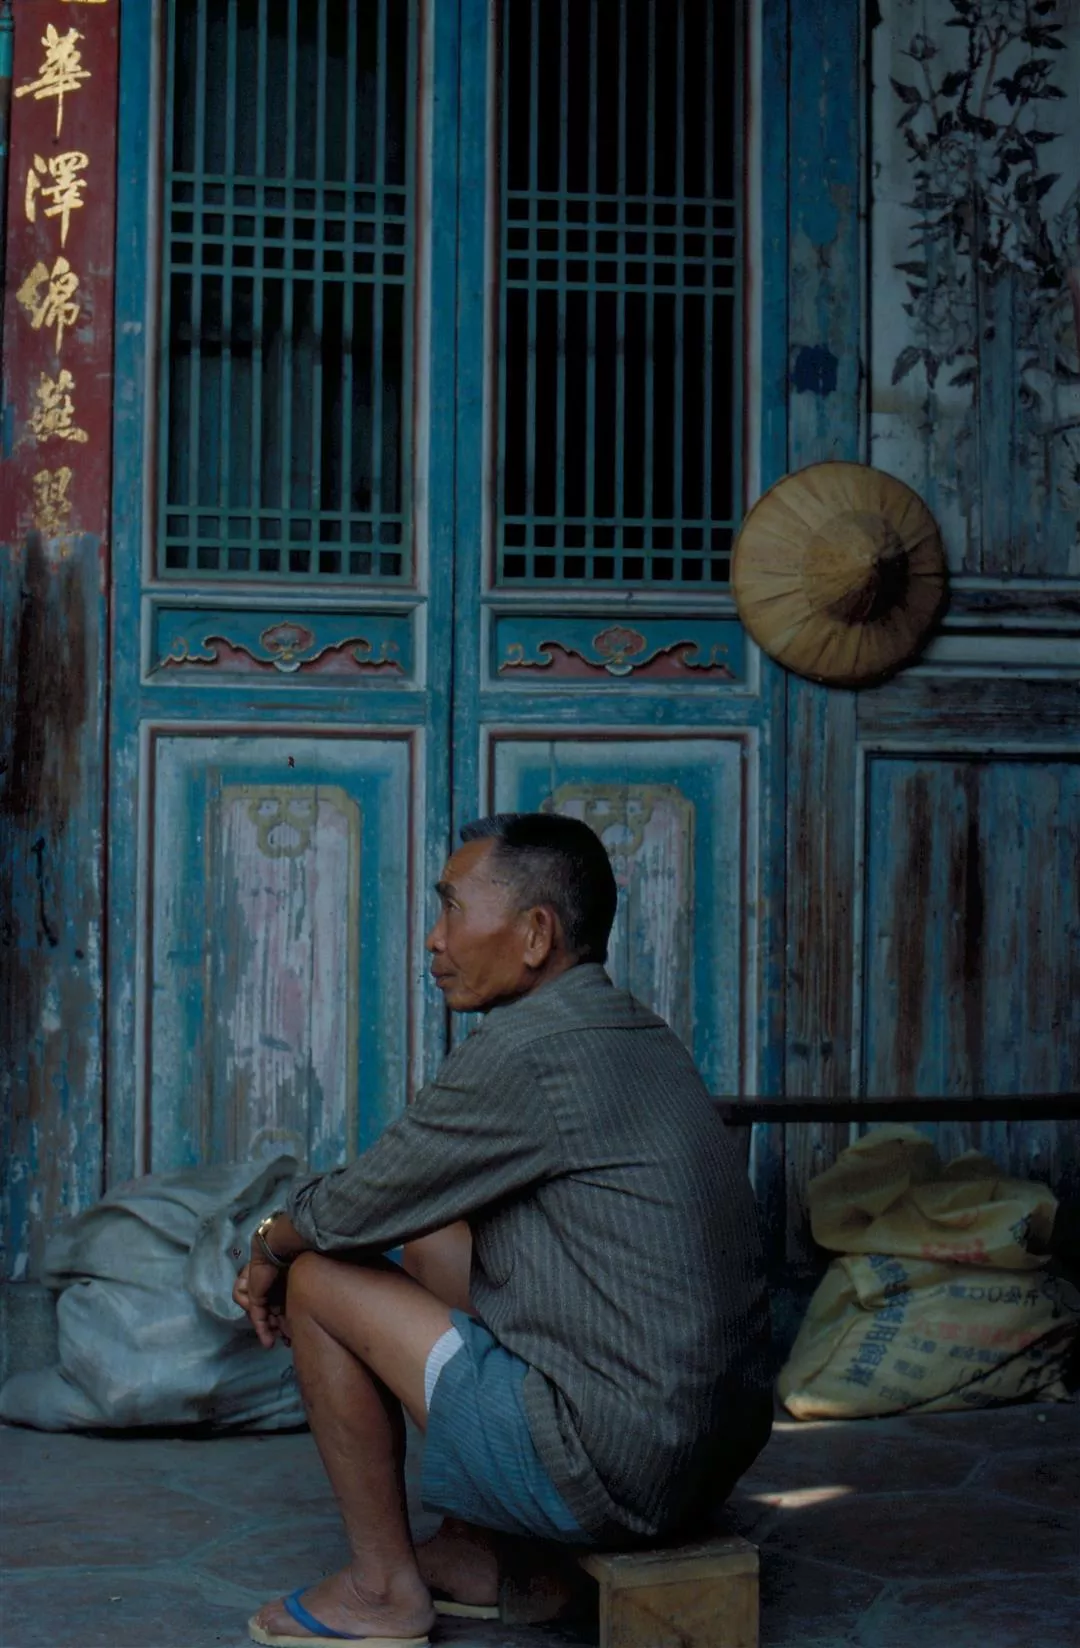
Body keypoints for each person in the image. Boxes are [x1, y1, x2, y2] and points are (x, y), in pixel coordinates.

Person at [235, 812, 773, 1648]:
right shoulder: (636, 1031)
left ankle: (382, 1592)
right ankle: (482, 1551)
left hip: (612, 1471)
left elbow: (351, 1208)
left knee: (318, 1278)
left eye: (452, 907)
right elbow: (408, 1202)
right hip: (702, 1458)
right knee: (437, 1239)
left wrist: (271, 1242)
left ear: (535, 935)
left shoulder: (525, 1049)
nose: (433, 937)